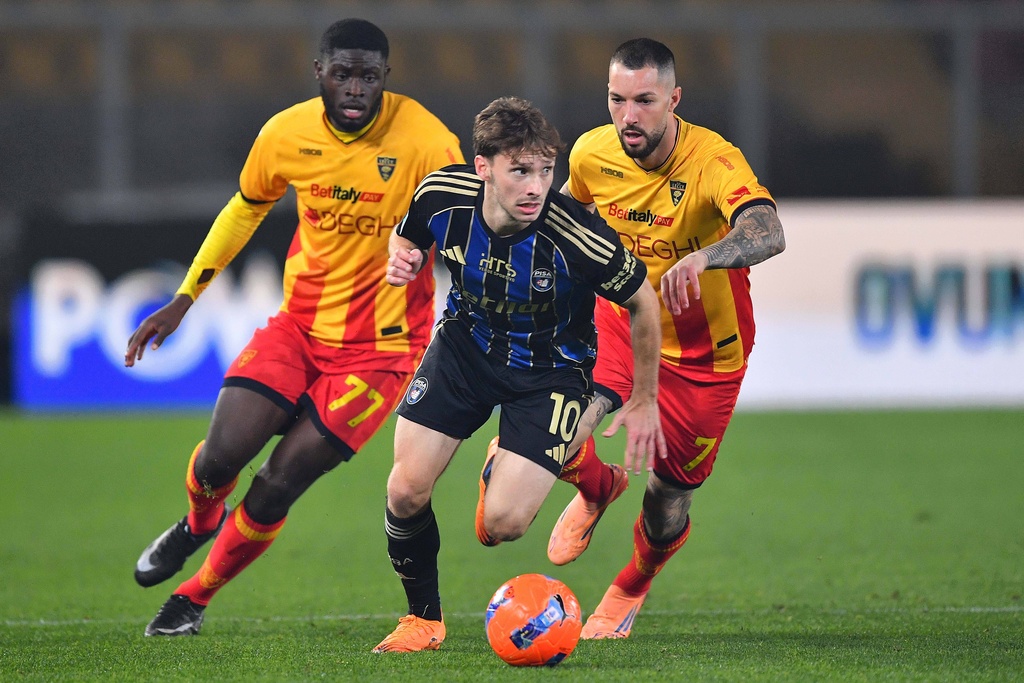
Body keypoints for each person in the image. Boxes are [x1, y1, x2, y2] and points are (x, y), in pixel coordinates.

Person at [124, 18, 463, 637]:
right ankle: (198, 522)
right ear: (320, 75)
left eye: (368, 76)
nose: (355, 88)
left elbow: (464, 228)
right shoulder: (285, 133)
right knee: (220, 458)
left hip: (381, 352)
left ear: (386, 77)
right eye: (343, 74)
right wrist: (184, 298)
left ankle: (192, 599)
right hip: (298, 329)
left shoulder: (428, 143)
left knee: (279, 482)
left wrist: (433, 260)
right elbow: (244, 209)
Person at [370, 96, 667, 653]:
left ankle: (549, 462)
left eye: (546, 171)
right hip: (464, 350)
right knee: (405, 490)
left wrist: (644, 397)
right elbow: (407, 237)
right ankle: (423, 621)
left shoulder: (577, 234)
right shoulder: (441, 196)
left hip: (550, 373)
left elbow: (644, 301)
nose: (536, 186)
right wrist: (401, 257)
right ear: (483, 167)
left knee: (501, 527)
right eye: (521, 171)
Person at [549, 38, 786, 639]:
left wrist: (707, 257)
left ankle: (632, 582)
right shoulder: (591, 154)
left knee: (665, 505)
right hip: (622, 325)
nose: (629, 116)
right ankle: (598, 487)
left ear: (674, 99)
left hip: (707, 358)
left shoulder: (713, 160)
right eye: (617, 100)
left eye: (645, 101)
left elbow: (768, 230)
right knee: (559, 430)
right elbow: (569, 220)